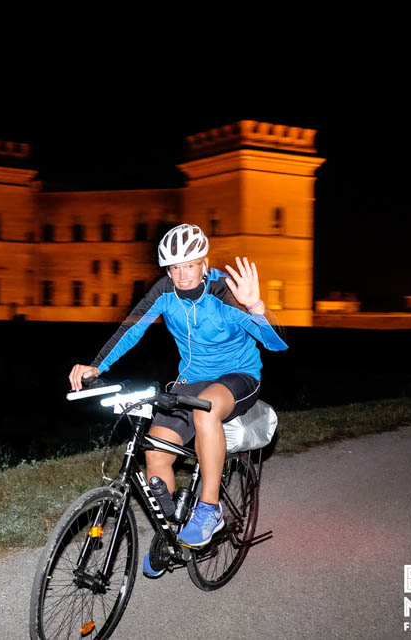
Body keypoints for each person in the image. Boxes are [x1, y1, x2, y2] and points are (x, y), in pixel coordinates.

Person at [67, 223, 287, 577]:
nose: (182, 275)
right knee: (155, 452)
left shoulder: (224, 291)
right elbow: (131, 329)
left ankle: (210, 509)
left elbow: (276, 343)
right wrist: (96, 365)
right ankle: (170, 535)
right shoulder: (165, 292)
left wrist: (255, 305)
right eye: (174, 267)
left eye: (190, 265)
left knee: (206, 411)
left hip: (239, 376)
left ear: (204, 263)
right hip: (190, 381)